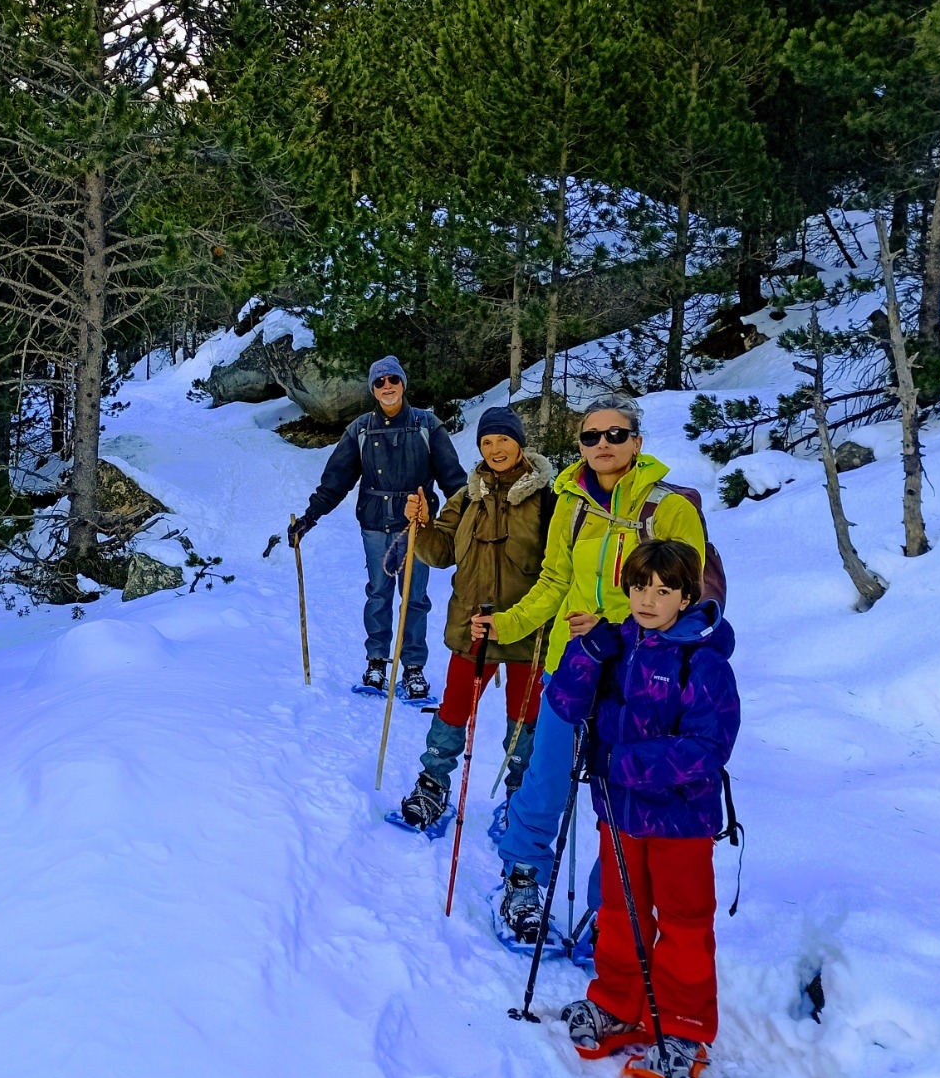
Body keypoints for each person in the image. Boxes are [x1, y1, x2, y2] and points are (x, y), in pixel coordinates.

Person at [469, 396, 706, 940]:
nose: (603, 445)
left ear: (637, 442)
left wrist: (616, 632)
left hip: (638, 676)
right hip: (570, 665)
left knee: (619, 788)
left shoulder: (668, 508)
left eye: (615, 435)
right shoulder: (570, 501)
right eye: (591, 436)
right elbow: (555, 579)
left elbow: (683, 600)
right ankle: (522, 874)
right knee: (546, 775)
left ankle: (613, 903)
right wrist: (508, 623)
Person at [536, 538, 739, 1078]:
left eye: (664, 590)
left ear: (686, 595)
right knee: (619, 912)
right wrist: (584, 652)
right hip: (619, 814)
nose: (649, 600)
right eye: (640, 587)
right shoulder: (617, 644)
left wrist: (621, 763)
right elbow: (568, 705)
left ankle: (683, 1029)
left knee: (683, 922)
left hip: (680, 821)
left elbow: (707, 747)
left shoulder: (705, 662)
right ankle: (618, 1004)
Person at [393, 405, 556, 831]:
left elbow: (559, 567)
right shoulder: (467, 496)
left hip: (528, 631)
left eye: (503, 439)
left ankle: (520, 797)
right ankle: (433, 781)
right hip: (472, 627)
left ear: (520, 442)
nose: (496, 448)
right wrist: (422, 527)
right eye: (487, 441)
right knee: (452, 709)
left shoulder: (548, 499)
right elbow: (441, 552)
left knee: (525, 723)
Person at [289, 356, 466, 701]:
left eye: (392, 380)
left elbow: (453, 480)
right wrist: (310, 517)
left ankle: (413, 668)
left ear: (403, 383)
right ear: (373, 389)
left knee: (414, 598)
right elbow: (336, 480)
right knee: (379, 593)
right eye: (379, 382)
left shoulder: (427, 425)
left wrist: (469, 520)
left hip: (418, 527)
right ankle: (377, 663)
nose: (387, 386)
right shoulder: (360, 429)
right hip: (375, 524)